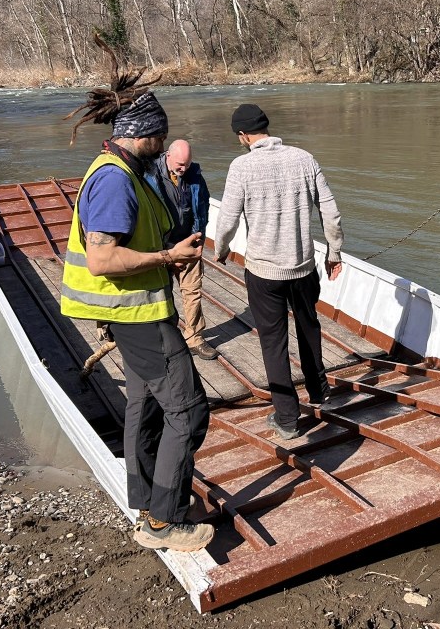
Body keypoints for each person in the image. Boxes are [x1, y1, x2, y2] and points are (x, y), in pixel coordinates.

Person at [60, 74, 213, 553]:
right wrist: (169, 259)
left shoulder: (126, 172)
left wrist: (169, 246)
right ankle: (165, 523)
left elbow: (133, 240)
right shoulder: (113, 179)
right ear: (140, 133)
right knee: (188, 412)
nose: (163, 143)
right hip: (137, 318)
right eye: (160, 135)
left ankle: (147, 503)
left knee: (144, 409)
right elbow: (104, 259)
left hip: (135, 316)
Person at [213, 103, 344, 440]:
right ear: (266, 127)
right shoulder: (305, 158)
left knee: (273, 342)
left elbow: (227, 219)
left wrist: (222, 249)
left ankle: (287, 418)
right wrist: (334, 253)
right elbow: (331, 213)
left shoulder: (241, 167)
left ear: (243, 136)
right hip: (302, 267)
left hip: (264, 272)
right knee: (308, 326)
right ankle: (319, 391)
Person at [146, 139, 218, 360]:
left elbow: (202, 208)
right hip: (162, 247)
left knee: (192, 293)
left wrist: (198, 238)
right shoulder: (149, 175)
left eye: (187, 164)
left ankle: (195, 338)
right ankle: (166, 341)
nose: (183, 169)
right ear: (167, 155)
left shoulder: (195, 176)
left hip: (189, 244)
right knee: (161, 295)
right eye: (179, 164)